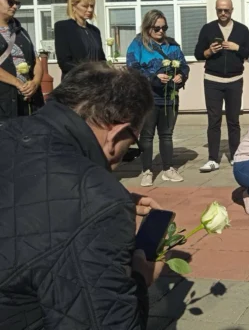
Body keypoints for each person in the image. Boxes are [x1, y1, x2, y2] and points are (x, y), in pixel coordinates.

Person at [0, 62, 164, 329]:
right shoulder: (100, 204)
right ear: (117, 133)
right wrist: (139, 279)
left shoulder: (8, 131)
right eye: (133, 142)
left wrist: (91, 196)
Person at [127, 9, 190, 187]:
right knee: (147, 136)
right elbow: (132, 68)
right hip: (148, 97)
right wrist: (153, 77)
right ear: (148, 27)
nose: (161, 31)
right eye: (157, 28)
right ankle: (147, 170)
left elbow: (184, 65)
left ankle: (168, 169)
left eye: (164, 28)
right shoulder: (138, 44)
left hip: (170, 96)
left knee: (167, 135)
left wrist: (181, 76)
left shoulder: (172, 45)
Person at [194, 0, 249, 173]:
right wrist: (209, 51)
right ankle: (213, 159)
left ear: (232, 10)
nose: (223, 13)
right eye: (219, 10)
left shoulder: (242, 30)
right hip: (212, 81)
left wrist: (237, 48)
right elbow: (198, 53)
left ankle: (235, 156)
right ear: (216, 10)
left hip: (235, 81)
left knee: (233, 120)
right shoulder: (208, 29)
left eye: (226, 10)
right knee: (214, 120)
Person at [0, 0, 44, 118]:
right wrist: (18, 83)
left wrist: (35, 82)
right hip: (4, 103)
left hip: (29, 101)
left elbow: (36, 60)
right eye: (10, 2)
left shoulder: (21, 31)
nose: (14, 6)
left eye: (17, 3)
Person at [54, 0, 106, 78]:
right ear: (73, 6)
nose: (90, 10)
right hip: (75, 82)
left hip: (96, 82)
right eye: (85, 6)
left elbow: (101, 60)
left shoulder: (95, 31)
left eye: (91, 6)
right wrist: (90, 71)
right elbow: (64, 62)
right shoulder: (63, 27)